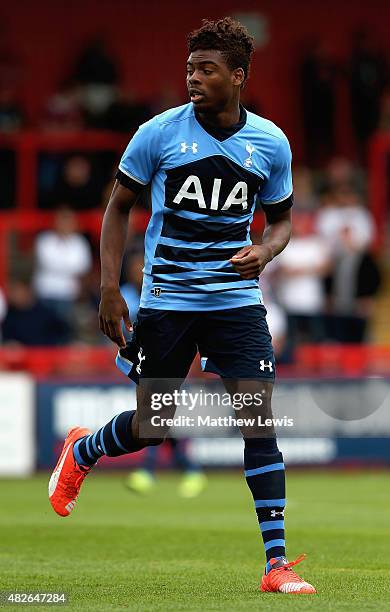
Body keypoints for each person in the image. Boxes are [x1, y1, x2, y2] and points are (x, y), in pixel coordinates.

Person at [48, 17, 316, 595]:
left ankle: (276, 564)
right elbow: (117, 207)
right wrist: (110, 288)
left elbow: (285, 219)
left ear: (238, 77)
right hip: (167, 299)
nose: (193, 78)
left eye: (207, 69)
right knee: (153, 427)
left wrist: (266, 250)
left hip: (237, 302)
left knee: (258, 421)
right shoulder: (158, 134)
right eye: (190, 67)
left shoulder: (270, 142)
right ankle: (84, 448)